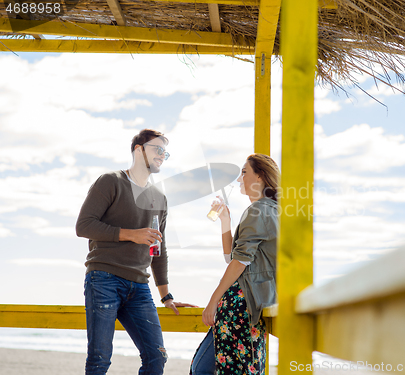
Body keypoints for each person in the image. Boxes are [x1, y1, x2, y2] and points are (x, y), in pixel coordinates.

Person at [76, 128, 195, 375]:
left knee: (156, 357)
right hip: (104, 279)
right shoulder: (111, 181)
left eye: (165, 152)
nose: (162, 155)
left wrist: (166, 296)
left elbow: (158, 248)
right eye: (157, 149)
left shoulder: (160, 197)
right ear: (138, 149)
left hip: (139, 287)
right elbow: (84, 225)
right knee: (99, 359)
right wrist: (131, 234)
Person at [190, 153, 279, 375]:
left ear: (260, 176)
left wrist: (213, 299)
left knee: (202, 369)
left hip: (240, 306)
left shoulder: (258, 210)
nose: (239, 179)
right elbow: (233, 258)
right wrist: (226, 222)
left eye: (244, 172)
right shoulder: (271, 209)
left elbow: (239, 261)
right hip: (255, 304)